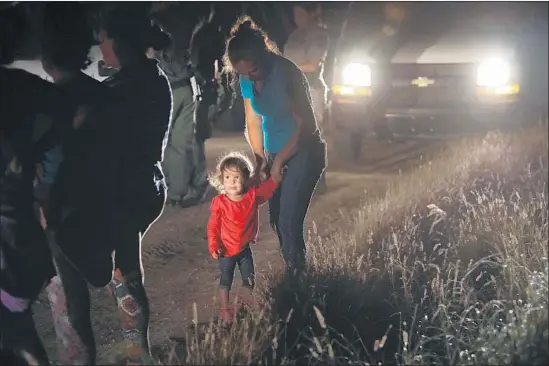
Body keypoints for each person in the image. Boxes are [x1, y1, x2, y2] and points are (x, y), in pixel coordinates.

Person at [44, 6, 173, 365]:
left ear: (120, 42)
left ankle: (93, 353)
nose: (100, 47)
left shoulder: (121, 90)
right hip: (145, 186)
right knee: (126, 269)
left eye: (103, 39)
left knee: (81, 272)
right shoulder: (151, 78)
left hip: (123, 190)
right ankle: (137, 352)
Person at [0, 3, 87, 364]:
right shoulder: (29, 89)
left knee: (15, 332)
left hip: (8, 240)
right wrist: (41, 167)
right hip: (18, 233)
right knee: (16, 327)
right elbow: (76, 111)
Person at [223, 17, 327, 273]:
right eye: (243, 73)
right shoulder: (248, 76)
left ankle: (300, 281)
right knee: (276, 222)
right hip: (273, 152)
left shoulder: (287, 73)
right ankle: (296, 271)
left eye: (253, 70)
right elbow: (253, 120)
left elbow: (307, 126)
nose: (249, 78)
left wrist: (279, 161)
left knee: (289, 222)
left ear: (264, 55)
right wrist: (260, 160)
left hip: (303, 151)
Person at [207, 151, 281, 323]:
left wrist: (275, 178)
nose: (231, 182)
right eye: (227, 177)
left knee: (250, 279)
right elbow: (213, 227)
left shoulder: (252, 197)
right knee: (226, 280)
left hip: (244, 249)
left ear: (246, 179)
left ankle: (242, 304)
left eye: (236, 177)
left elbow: (268, 189)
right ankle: (226, 310)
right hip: (225, 250)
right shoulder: (220, 203)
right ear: (221, 179)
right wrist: (213, 246)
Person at [153, 4, 209, 208]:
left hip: (165, 86)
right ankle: (177, 192)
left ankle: (169, 191)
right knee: (181, 142)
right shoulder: (192, 18)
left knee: (164, 143)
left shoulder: (156, 21)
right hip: (187, 84)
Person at [283, 2, 329, 194]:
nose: (297, 18)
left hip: (310, 89)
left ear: (312, 13)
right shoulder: (295, 35)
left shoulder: (318, 35)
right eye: (295, 14)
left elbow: (312, 65)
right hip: (293, 89)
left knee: (310, 136)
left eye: (301, 14)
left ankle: (317, 181)